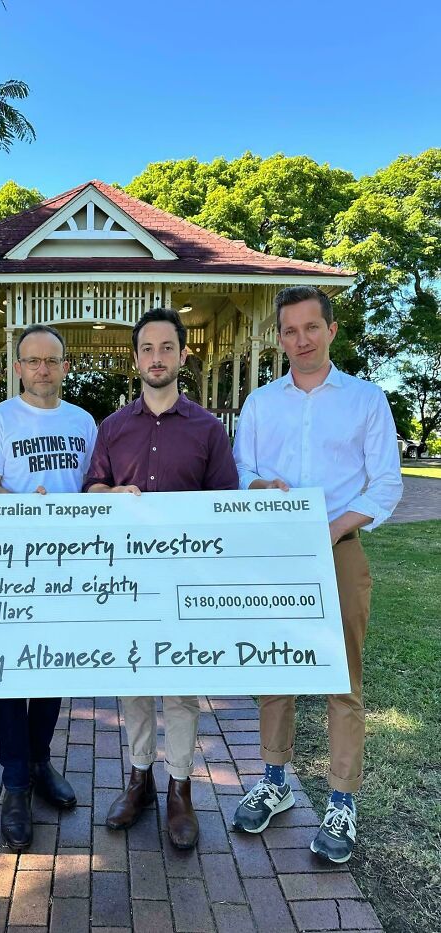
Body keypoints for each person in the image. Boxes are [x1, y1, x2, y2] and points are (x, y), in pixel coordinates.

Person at [230, 285, 403, 864]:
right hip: (276, 554)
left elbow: (386, 484)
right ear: (278, 338)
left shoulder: (365, 400)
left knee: (341, 677)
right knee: (275, 671)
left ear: (331, 330)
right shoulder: (260, 404)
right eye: (289, 331)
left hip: (339, 546)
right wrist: (256, 486)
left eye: (311, 327)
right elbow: (241, 469)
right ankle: (275, 781)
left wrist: (330, 529)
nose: (300, 340)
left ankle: (341, 800)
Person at [84, 307, 239, 850]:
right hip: (126, 580)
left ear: (182, 355)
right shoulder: (112, 428)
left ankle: (180, 789)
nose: (157, 357)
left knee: (179, 689)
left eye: (167, 347)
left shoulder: (208, 429)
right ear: (135, 358)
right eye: (147, 348)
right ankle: (139, 779)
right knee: (134, 686)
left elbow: (225, 505)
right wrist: (110, 495)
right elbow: (91, 492)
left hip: (185, 583)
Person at [0, 323, 97, 851]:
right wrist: (25, 507)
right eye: (32, 360)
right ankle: (15, 783)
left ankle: (40, 763)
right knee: (8, 677)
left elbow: (95, 486)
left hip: (69, 568)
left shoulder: (86, 422)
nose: (42, 369)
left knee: (53, 670)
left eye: (52, 360)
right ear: (18, 367)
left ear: (66, 366)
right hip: (12, 565)